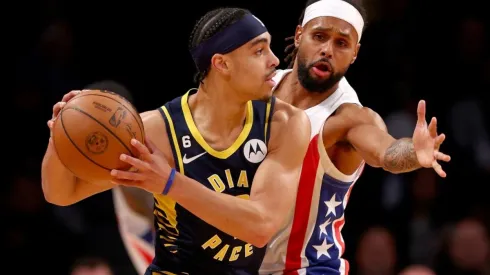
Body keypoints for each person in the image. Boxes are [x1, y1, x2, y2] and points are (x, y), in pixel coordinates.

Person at [42, 7, 311, 275]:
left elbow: (260, 227)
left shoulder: (285, 124)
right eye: (259, 50)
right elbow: (61, 193)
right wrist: (61, 135)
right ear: (222, 64)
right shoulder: (158, 131)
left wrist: (170, 183)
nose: (275, 60)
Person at [258, 0, 451, 274]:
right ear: (299, 35)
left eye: (341, 43)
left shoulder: (348, 118)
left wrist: (413, 154)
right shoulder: (256, 87)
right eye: (320, 36)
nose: (327, 50)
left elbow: (386, 152)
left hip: (305, 268)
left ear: (355, 53)